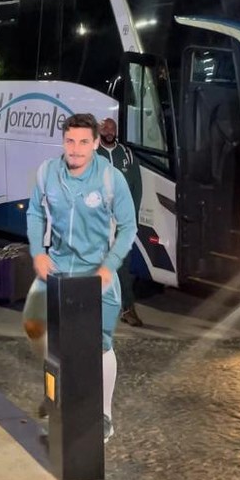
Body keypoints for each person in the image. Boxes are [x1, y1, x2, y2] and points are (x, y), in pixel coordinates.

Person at [23, 113, 138, 443]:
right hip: (57, 267)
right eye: (70, 141)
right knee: (34, 325)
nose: (76, 149)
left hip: (96, 272)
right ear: (63, 141)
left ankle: (104, 415)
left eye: (84, 142)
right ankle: (56, 387)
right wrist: (38, 252)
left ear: (96, 143)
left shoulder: (110, 178)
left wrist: (109, 265)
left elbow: (129, 227)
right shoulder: (48, 173)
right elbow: (33, 213)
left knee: (100, 344)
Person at [96, 117, 144, 327]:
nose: (109, 131)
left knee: (123, 267)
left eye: (112, 127)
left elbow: (137, 188)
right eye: (105, 127)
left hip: (121, 224)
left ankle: (128, 308)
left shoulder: (127, 155)